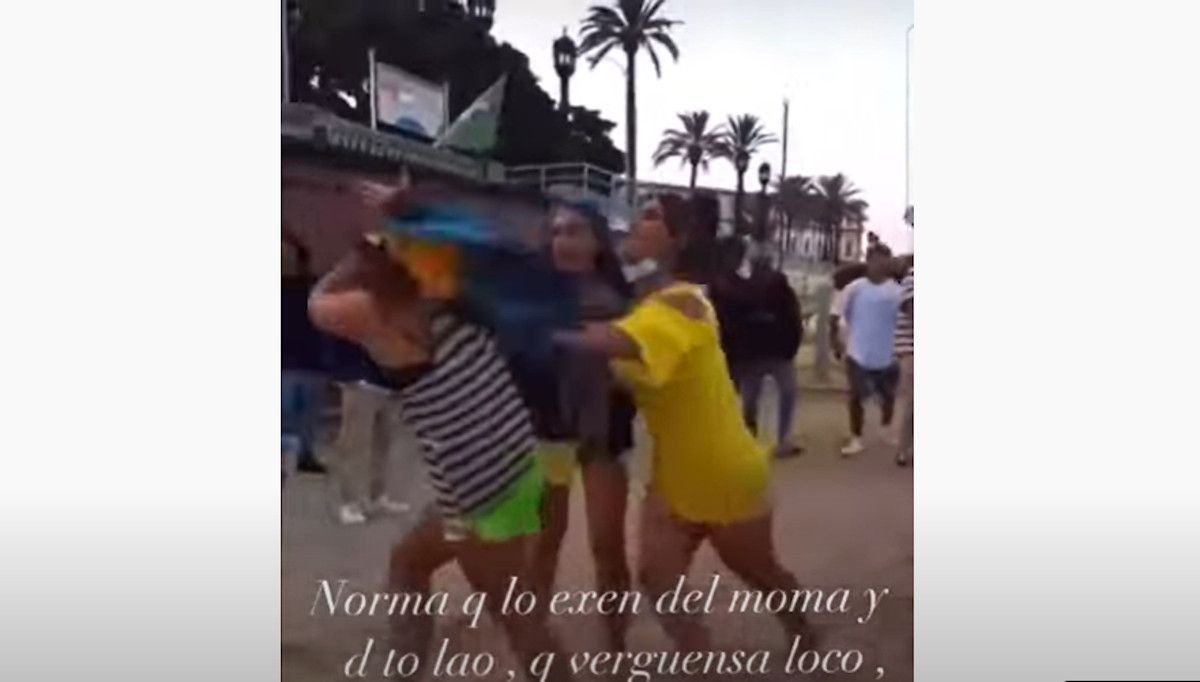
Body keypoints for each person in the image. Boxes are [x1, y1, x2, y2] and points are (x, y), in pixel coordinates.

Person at [308, 188, 570, 682]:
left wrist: (359, 252)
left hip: (479, 490)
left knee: (518, 617)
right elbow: (478, 239)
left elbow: (318, 304)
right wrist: (409, 215)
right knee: (409, 563)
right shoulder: (463, 305)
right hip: (512, 466)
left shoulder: (375, 312)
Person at [555, 194, 817, 653]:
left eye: (652, 216)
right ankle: (701, 660)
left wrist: (525, 322)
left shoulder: (681, 304)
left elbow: (610, 341)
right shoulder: (648, 302)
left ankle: (803, 631)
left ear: (682, 237)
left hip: (723, 471)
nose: (637, 222)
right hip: (672, 477)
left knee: (760, 573)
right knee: (657, 579)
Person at [528, 200, 637, 651]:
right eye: (556, 232)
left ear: (597, 241)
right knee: (542, 543)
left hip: (605, 428)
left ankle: (615, 646)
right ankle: (532, 639)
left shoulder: (623, 299)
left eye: (575, 231)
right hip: (547, 427)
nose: (563, 241)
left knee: (606, 544)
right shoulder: (530, 293)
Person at [712, 240, 804, 457]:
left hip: (760, 352)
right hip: (764, 352)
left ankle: (761, 438)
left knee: (758, 397)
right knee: (773, 395)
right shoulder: (751, 286)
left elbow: (792, 318)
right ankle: (775, 439)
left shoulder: (740, 287)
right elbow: (793, 318)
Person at [838, 244, 903, 457]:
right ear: (868, 261)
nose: (879, 265)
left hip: (888, 353)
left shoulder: (897, 291)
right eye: (875, 260)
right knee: (856, 396)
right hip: (857, 352)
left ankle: (885, 429)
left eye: (884, 260)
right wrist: (836, 341)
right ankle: (856, 437)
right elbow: (838, 314)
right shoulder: (855, 288)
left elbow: (904, 319)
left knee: (888, 397)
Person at [281, 229, 328, 475]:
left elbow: (303, 254)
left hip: (306, 359)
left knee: (301, 415)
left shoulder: (311, 289)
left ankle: (302, 454)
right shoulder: (310, 290)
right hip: (296, 360)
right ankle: (298, 455)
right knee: (291, 414)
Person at [894, 260, 914, 466]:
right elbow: (912, 310)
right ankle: (903, 449)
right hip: (910, 348)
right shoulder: (912, 279)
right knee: (912, 402)